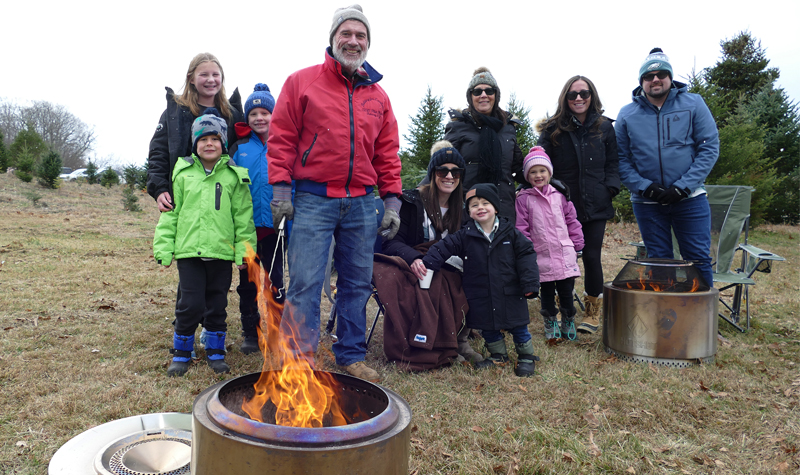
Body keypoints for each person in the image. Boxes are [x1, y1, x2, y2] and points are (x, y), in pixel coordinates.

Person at [267, 4, 402, 382]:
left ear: (368, 43)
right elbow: (281, 139)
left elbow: (388, 151)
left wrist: (391, 200)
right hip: (313, 199)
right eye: (347, 33)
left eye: (361, 35)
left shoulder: (379, 96)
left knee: (357, 281)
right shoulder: (301, 82)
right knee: (307, 281)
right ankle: (299, 358)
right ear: (332, 39)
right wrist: (280, 190)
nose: (353, 41)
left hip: (362, 202)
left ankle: (350, 354)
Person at [153, 108, 257, 377]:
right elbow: (171, 214)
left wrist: (245, 254)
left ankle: (215, 351)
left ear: (223, 143)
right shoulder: (182, 173)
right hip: (190, 253)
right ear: (194, 144)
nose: (209, 144)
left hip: (222, 253)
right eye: (203, 139)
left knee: (217, 304)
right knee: (189, 304)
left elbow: (243, 219)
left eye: (214, 139)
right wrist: (164, 247)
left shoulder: (236, 176)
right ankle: (182, 352)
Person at [616, 48, 719, 288]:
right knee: (660, 261)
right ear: (641, 81)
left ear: (670, 77)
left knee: (698, 259)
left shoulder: (694, 103)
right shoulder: (627, 114)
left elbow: (709, 147)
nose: (655, 79)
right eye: (648, 76)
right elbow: (620, 159)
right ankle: (667, 319)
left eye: (661, 74)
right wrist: (644, 187)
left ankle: (702, 321)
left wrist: (684, 187)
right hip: (647, 203)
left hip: (690, 200)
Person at [378, 140, 483, 368]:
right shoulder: (412, 201)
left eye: (455, 172)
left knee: (470, 274)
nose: (449, 176)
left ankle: (459, 340)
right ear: (433, 173)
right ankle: (423, 345)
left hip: (449, 265)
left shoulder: (465, 208)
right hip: (414, 261)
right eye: (442, 170)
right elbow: (391, 242)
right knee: (425, 281)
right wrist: (414, 258)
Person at [421, 184, 540, 377]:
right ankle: (498, 355)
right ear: (468, 211)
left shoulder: (510, 233)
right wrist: (428, 264)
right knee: (488, 326)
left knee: (518, 326)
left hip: (510, 291)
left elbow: (527, 255)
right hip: (480, 293)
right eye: (474, 205)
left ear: (495, 208)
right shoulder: (464, 235)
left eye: (485, 203)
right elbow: (442, 248)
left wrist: (530, 285)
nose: (480, 207)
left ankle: (526, 356)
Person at [537, 75, 619, 335]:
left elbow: (614, 163)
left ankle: (592, 311)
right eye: (573, 95)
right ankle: (564, 309)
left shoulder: (605, 127)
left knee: (592, 257)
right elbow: (541, 161)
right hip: (561, 206)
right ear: (565, 98)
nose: (579, 98)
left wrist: (610, 189)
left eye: (584, 93)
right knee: (562, 257)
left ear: (592, 96)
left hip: (596, 203)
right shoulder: (552, 129)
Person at [229, 83, 292, 355]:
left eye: (264, 112)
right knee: (248, 282)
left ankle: (278, 332)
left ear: (273, 114)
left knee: (275, 280)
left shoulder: (286, 143)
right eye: (253, 113)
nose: (259, 118)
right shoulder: (239, 147)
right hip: (247, 228)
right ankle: (251, 333)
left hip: (276, 228)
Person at [147, 53, 243, 212]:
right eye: (204, 75)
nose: (211, 80)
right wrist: (159, 189)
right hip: (183, 200)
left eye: (215, 74)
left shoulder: (233, 115)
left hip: (223, 200)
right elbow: (158, 153)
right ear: (191, 78)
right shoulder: (174, 113)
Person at [516, 147, 584, 340]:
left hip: (563, 252)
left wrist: (577, 242)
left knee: (566, 291)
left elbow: (572, 220)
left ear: (549, 173)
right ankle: (550, 321)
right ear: (527, 175)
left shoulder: (560, 195)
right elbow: (522, 227)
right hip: (540, 255)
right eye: (533, 172)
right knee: (545, 293)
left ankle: (568, 319)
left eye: (542, 171)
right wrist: (527, 249)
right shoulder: (523, 199)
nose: (538, 175)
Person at [444, 67, 526, 224]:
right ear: (470, 96)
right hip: (469, 208)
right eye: (477, 91)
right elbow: (443, 164)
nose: (483, 95)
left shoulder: (508, 127)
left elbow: (518, 168)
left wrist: (545, 176)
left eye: (489, 91)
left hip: (503, 208)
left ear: (496, 95)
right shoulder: (458, 126)